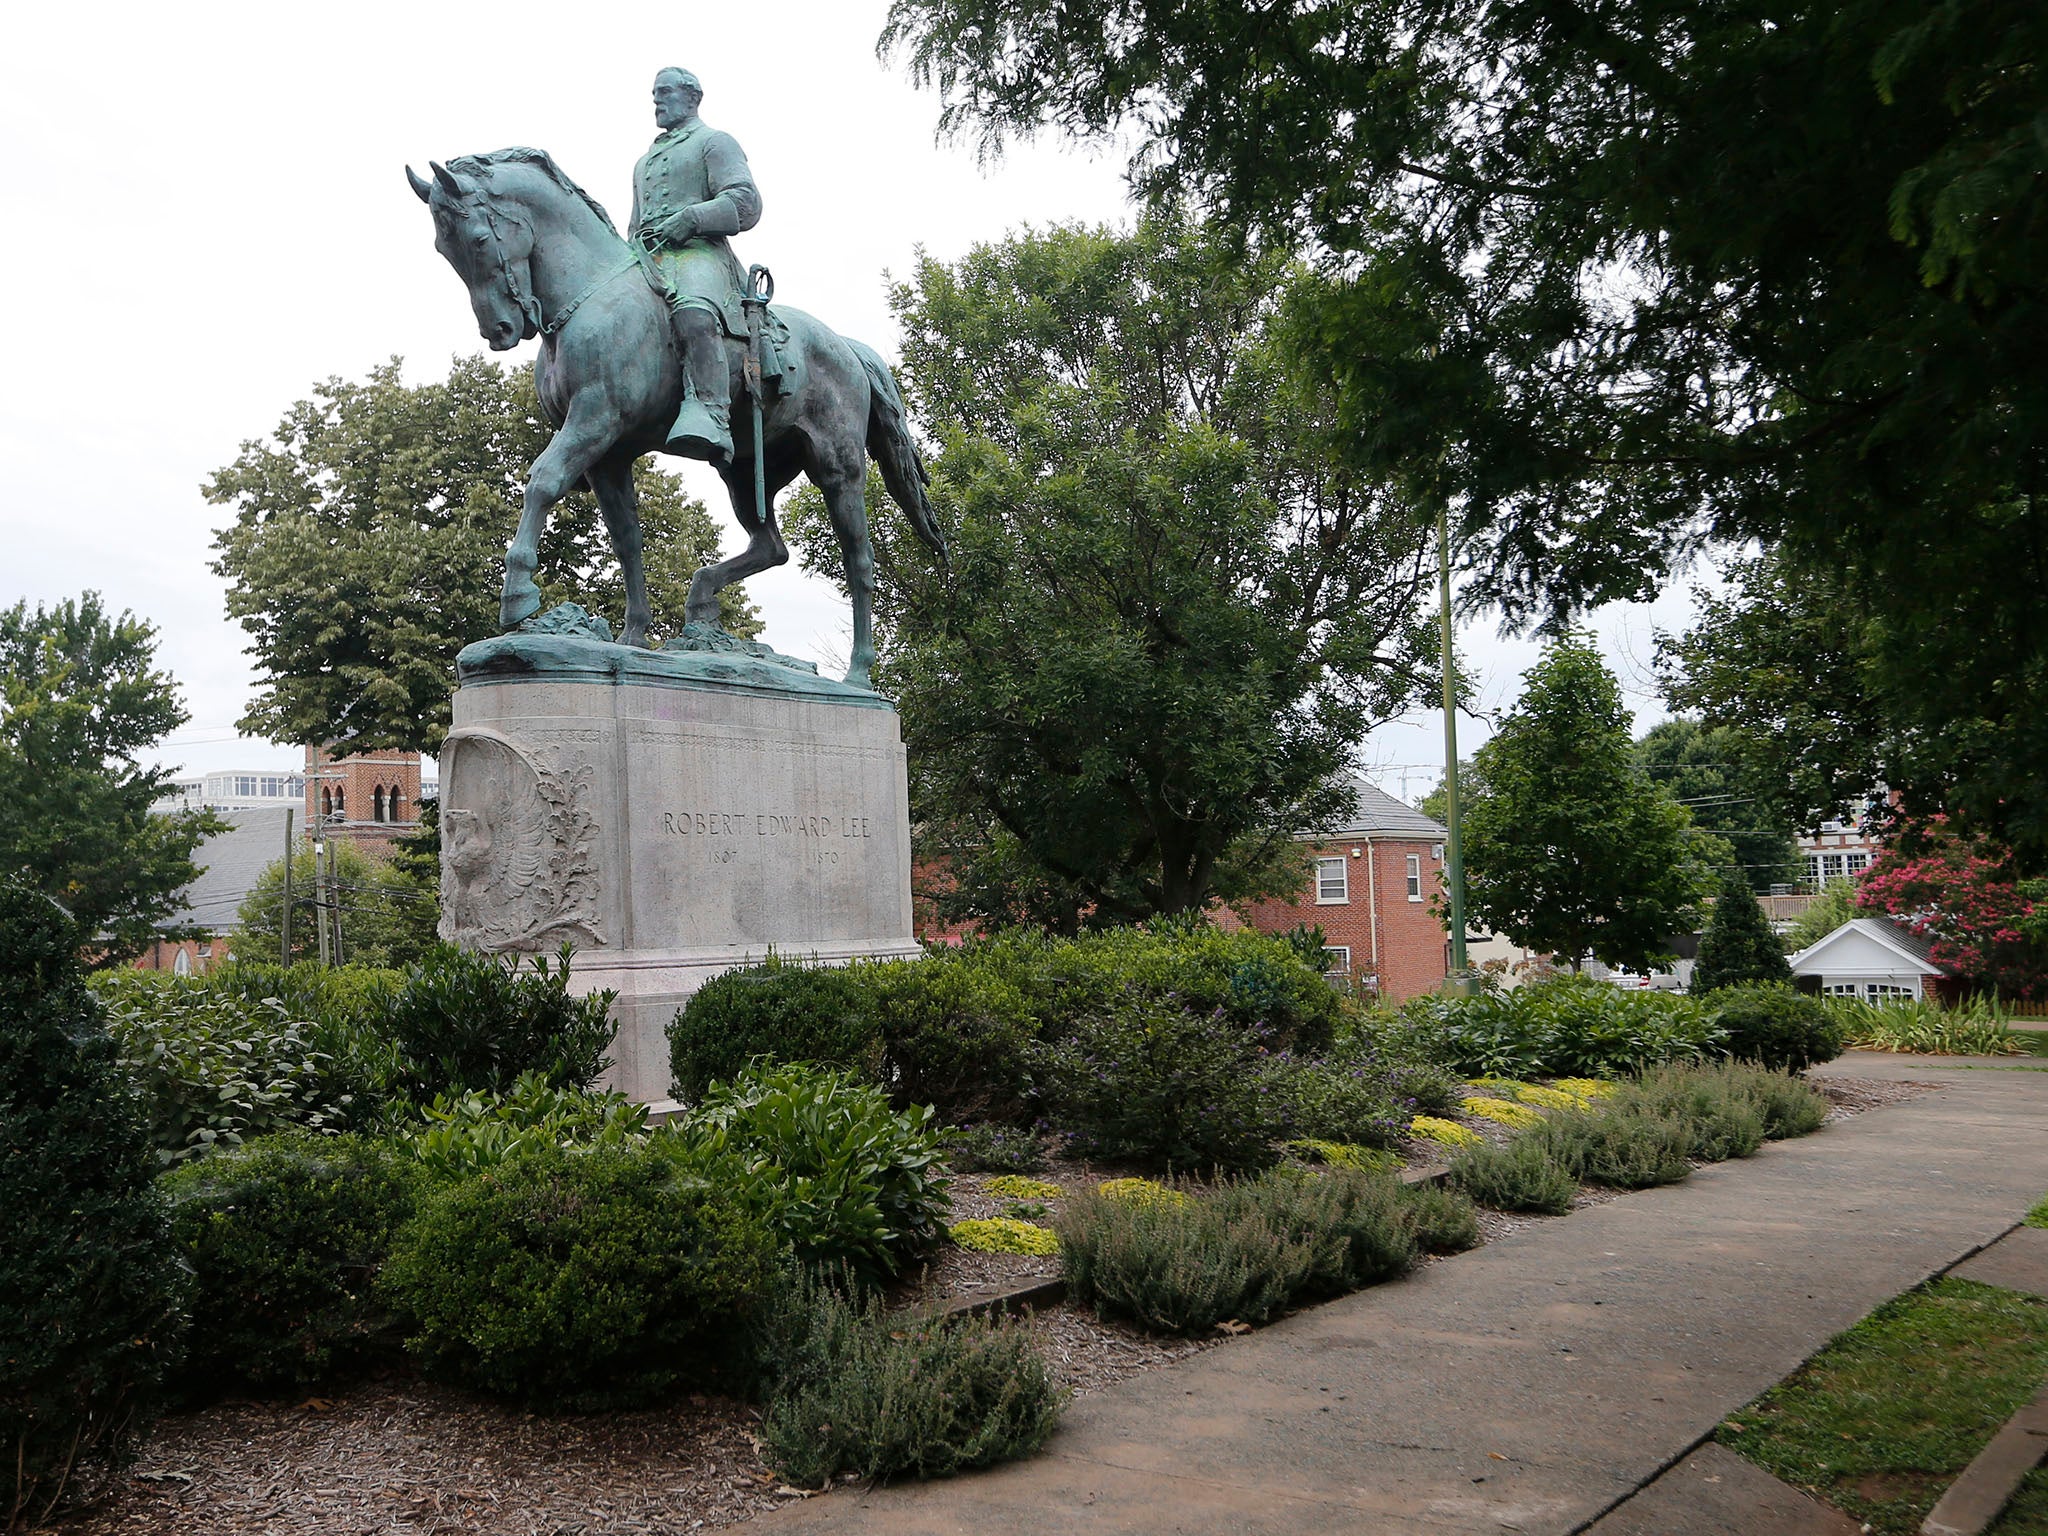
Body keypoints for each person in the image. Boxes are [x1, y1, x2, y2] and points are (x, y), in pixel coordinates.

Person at [629, 67, 761, 465]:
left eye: (665, 92)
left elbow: (746, 202)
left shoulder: (714, 142)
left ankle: (711, 411)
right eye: (654, 93)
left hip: (700, 253)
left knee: (693, 310)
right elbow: (635, 223)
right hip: (649, 256)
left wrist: (693, 219)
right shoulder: (643, 162)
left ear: (692, 97)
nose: (656, 100)